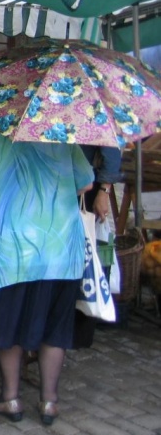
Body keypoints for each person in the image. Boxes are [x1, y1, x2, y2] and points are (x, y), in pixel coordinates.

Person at [0, 129, 94, 425]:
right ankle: (49, 402)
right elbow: (86, 182)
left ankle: (11, 398)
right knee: (56, 326)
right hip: (60, 249)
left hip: (9, 252)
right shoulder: (62, 136)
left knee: (9, 323)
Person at [73, 144, 123, 347]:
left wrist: (104, 190)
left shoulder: (95, 114)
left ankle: (80, 326)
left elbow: (111, 148)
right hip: (66, 185)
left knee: (86, 256)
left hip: (85, 189)